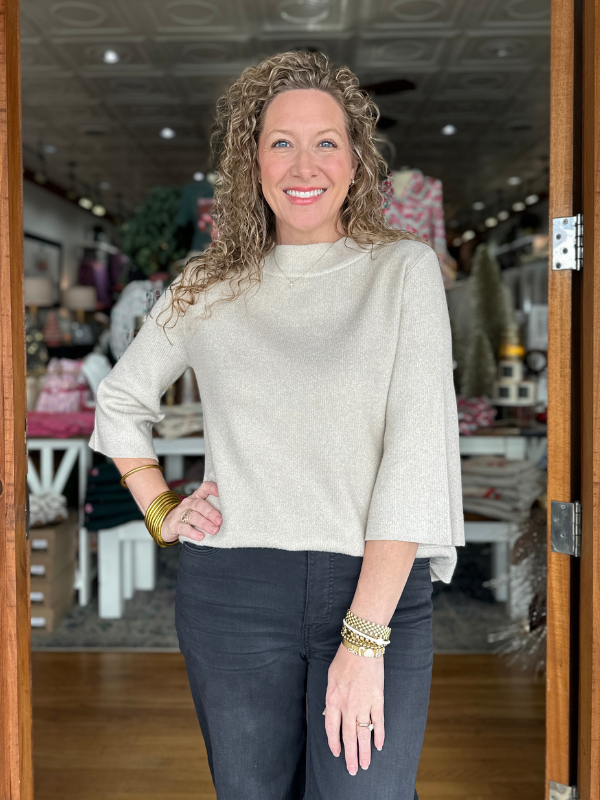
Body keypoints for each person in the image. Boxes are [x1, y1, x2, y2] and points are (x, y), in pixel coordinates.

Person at [89, 50, 464, 800]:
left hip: (373, 585)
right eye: (281, 141)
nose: (306, 163)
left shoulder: (403, 271)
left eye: (327, 140)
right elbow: (119, 404)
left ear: (356, 159)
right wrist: (163, 508)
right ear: (250, 160)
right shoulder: (206, 284)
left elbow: (415, 460)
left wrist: (363, 640)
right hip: (233, 587)